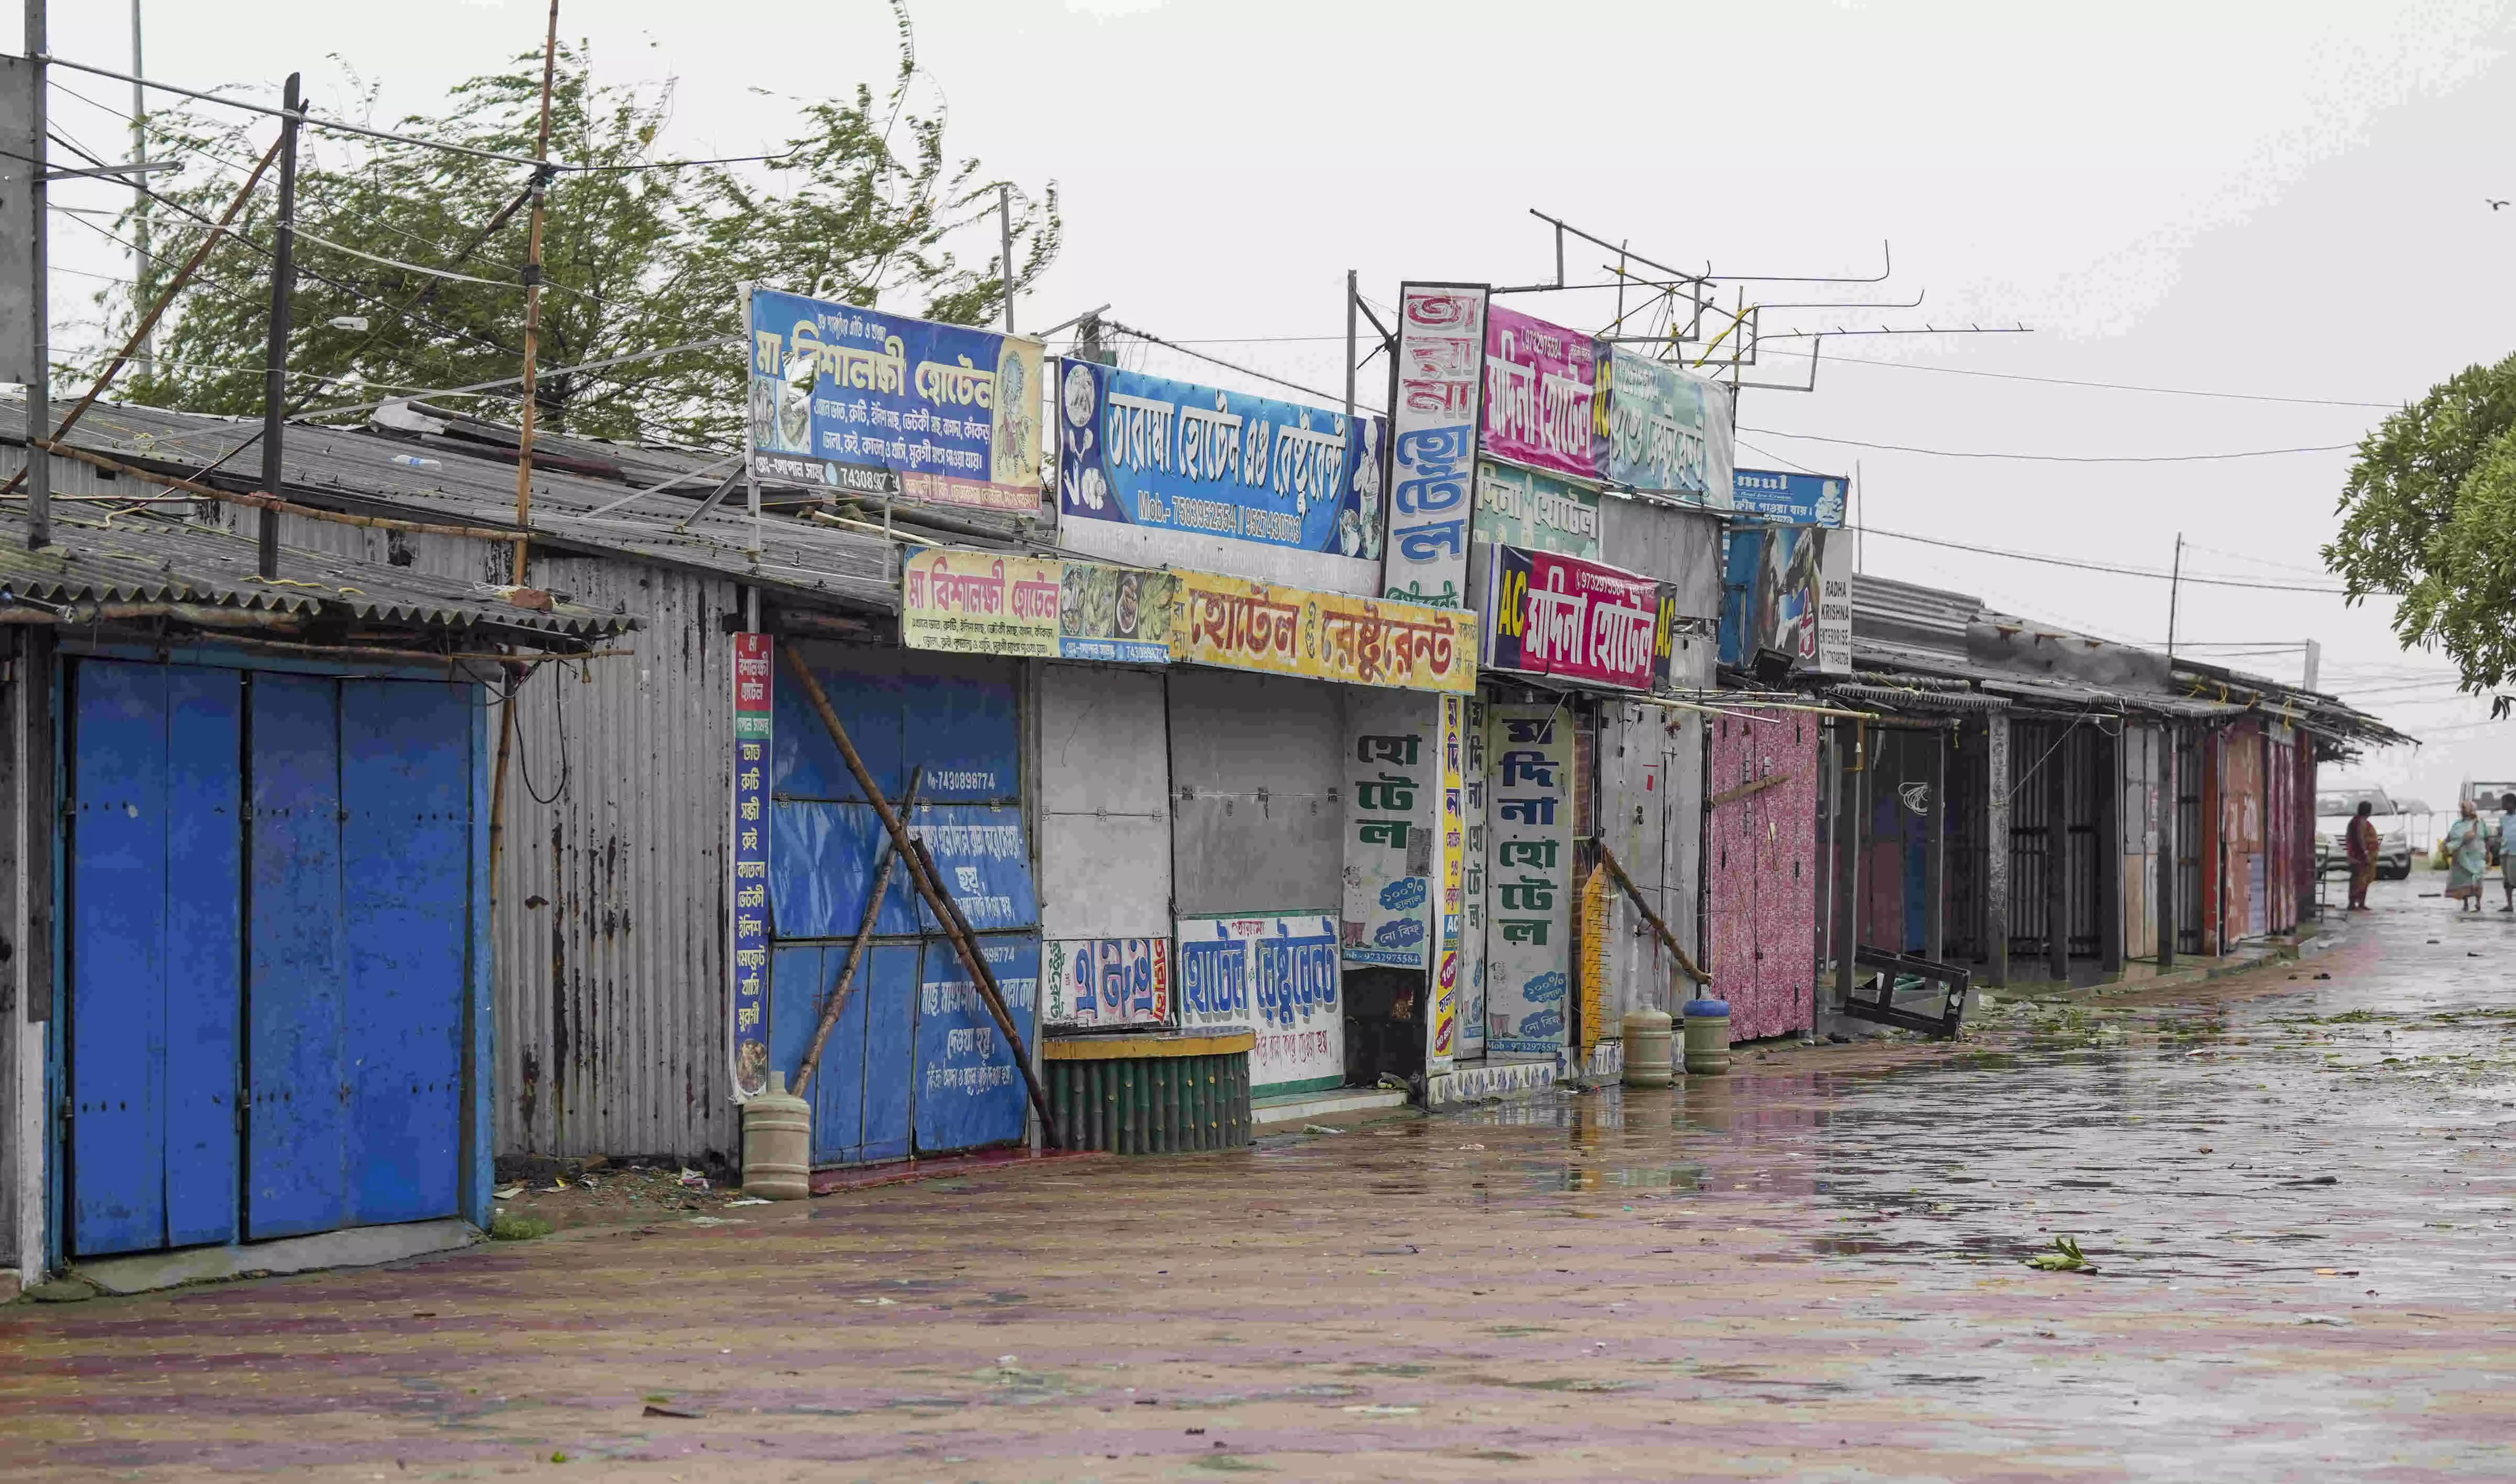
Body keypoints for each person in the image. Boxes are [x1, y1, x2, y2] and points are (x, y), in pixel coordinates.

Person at [2444, 798, 2488, 913]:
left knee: (2477, 878)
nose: (2462, 810)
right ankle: (2466, 903)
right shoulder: (2458, 824)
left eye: (2465, 808)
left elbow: (2486, 838)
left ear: (2471, 810)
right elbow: (2450, 837)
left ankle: (2478, 902)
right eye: (2462, 808)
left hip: (2477, 855)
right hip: (2461, 856)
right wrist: (2446, 845)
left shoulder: (2480, 823)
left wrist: (2488, 853)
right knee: (2463, 879)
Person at [2345, 800, 2380, 911]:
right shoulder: (2360, 822)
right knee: (2358, 879)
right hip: (2359, 856)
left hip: (2356, 854)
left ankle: (2360, 903)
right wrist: (2366, 853)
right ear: (2368, 812)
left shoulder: (2355, 821)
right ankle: (2353, 903)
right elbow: (2360, 838)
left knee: (2362, 879)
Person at [2499, 794, 2516, 912]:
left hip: (2515, 852)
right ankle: (2510, 905)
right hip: (2505, 851)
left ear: (2512, 803)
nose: (2502, 805)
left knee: (2514, 878)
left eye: (2504, 802)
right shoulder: (2503, 818)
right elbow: (2503, 832)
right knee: (2507, 880)